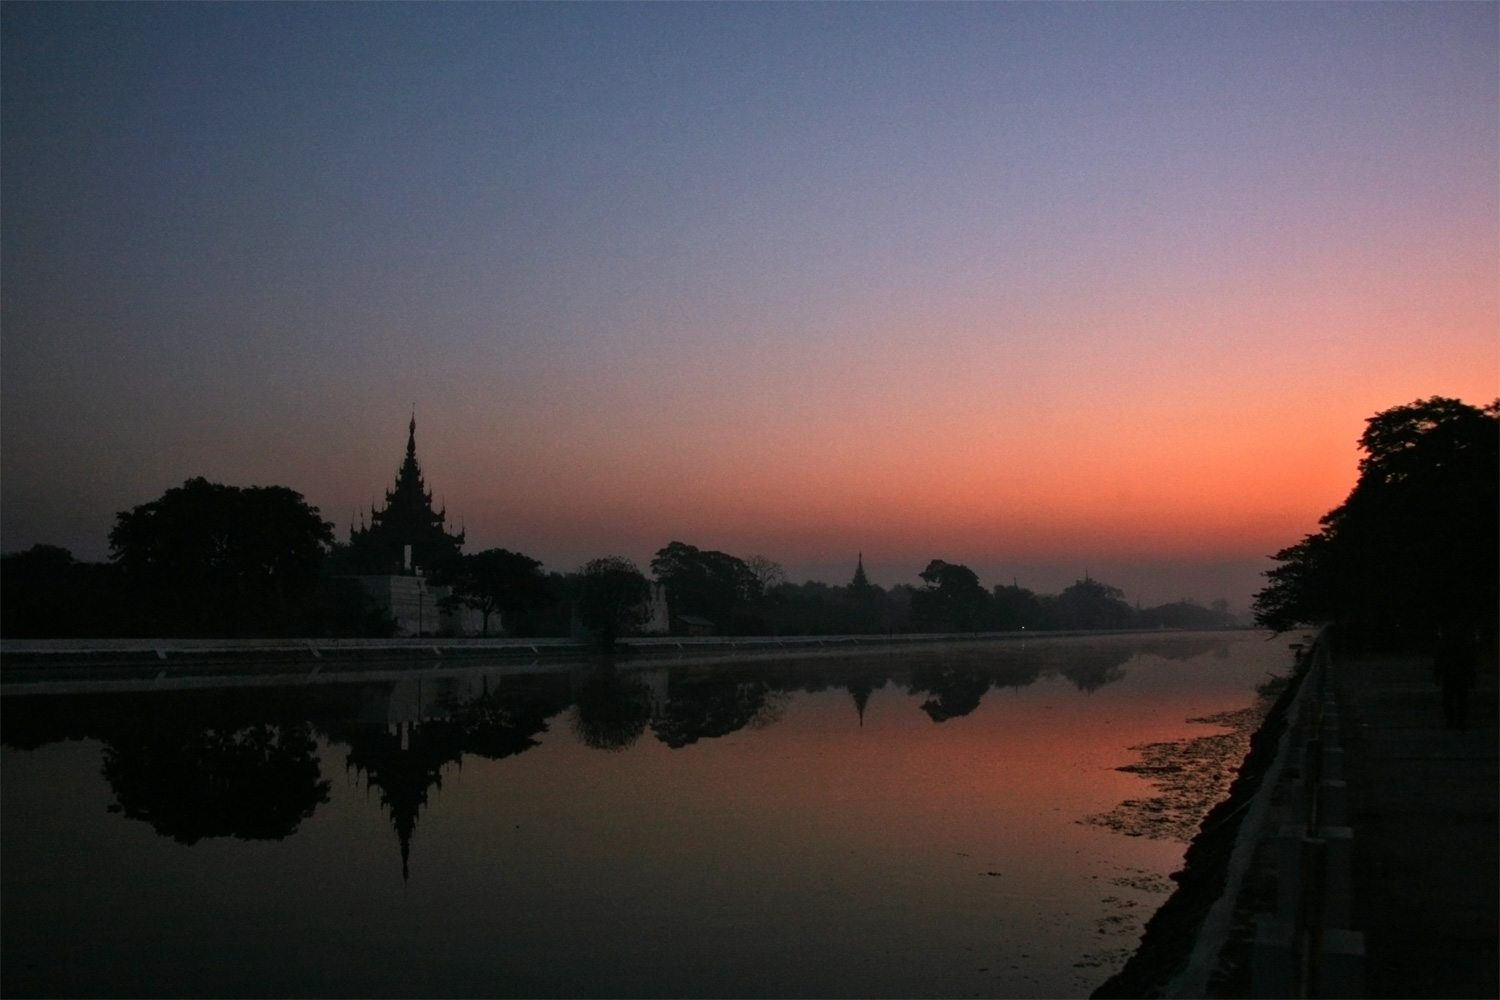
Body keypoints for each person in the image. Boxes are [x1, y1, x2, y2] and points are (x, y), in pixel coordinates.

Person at [1433, 622, 1478, 729]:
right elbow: (1470, 661)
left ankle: (1453, 719)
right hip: (1459, 674)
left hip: (1451, 674)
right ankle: (1458, 720)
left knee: (1450, 699)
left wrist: (1437, 675)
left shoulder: (1446, 643)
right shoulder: (1464, 643)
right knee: (1460, 699)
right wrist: (1472, 677)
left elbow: (1439, 659)